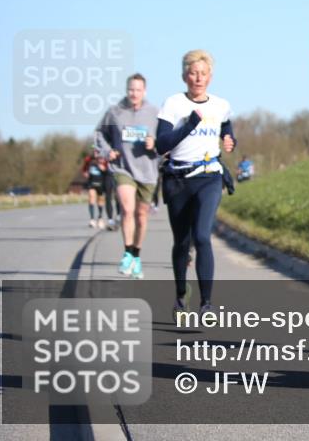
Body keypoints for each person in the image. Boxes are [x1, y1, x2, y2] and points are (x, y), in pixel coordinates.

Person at [156, 50, 235, 318]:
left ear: (210, 77)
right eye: (193, 73)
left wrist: (228, 139)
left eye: (203, 73)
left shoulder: (220, 104)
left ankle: (207, 304)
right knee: (182, 242)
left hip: (209, 176)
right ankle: (180, 296)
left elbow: (226, 127)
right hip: (178, 179)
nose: (198, 78)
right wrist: (188, 125)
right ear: (184, 76)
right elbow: (161, 144)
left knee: (202, 236)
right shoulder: (173, 104)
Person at [96, 74, 160, 278]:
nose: (134, 93)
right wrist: (107, 151)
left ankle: (136, 256)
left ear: (145, 91)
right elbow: (99, 134)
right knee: (127, 208)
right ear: (126, 90)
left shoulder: (154, 113)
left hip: (147, 171)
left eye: (138, 90)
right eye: (131, 89)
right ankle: (127, 253)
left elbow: (166, 139)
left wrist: (155, 143)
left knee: (141, 216)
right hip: (122, 168)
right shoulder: (115, 112)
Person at [81, 149, 107, 228]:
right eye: (94, 151)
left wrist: (104, 169)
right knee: (91, 197)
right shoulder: (89, 159)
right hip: (91, 182)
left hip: (101, 182)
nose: (95, 153)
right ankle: (92, 219)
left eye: (97, 151)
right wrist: (85, 173)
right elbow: (84, 169)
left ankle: (100, 218)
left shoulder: (104, 158)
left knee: (100, 200)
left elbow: (108, 170)